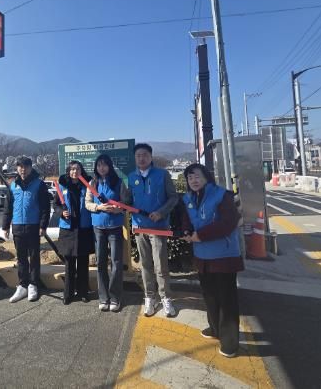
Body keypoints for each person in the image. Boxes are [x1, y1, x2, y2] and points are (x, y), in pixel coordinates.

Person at [181, 163, 243, 358]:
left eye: (197, 176)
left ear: (206, 177)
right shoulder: (188, 198)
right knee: (210, 295)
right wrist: (186, 231)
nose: (194, 180)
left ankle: (230, 343)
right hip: (202, 255)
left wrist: (201, 235)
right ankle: (215, 328)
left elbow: (228, 223)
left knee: (227, 299)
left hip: (224, 255)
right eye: (190, 177)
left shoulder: (222, 195)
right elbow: (186, 219)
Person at [127, 143, 179, 317]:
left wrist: (161, 212)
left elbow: (173, 198)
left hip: (158, 227)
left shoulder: (162, 174)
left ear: (151, 156)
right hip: (140, 227)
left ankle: (166, 298)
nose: (141, 158)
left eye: (145, 155)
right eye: (138, 155)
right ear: (135, 158)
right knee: (145, 265)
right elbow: (128, 201)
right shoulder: (131, 177)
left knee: (161, 265)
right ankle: (150, 297)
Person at [85, 154, 129, 312]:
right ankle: (103, 297)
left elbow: (126, 203)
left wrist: (118, 209)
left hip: (114, 227)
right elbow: (87, 203)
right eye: (99, 165)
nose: (101, 168)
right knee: (101, 263)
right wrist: (99, 207)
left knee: (116, 262)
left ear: (109, 166)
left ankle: (115, 297)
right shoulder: (92, 183)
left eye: (104, 165)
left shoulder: (119, 182)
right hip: (98, 227)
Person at [2, 157, 51, 303]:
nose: (23, 169)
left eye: (26, 167)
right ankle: (22, 285)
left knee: (34, 257)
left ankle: (33, 284)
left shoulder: (39, 184)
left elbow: (45, 207)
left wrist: (43, 226)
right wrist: (5, 226)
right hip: (17, 226)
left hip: (33, 226)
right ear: (17, 168)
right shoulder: (13, 185)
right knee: (21, 258)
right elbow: (8, 207)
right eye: (20, 167)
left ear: (30, 168)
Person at [53, 160, 95, 305]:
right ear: (68, 171)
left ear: (81, 171)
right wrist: (61, 212)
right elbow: (56, 205)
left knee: (83, 262)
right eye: (71, 169)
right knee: (69, 264)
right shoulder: (62, 186)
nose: (74, 172)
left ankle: (83, 292)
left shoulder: (88, 186)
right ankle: (68, 293)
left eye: (77, 169)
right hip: (68, 229)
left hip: (84, 228)